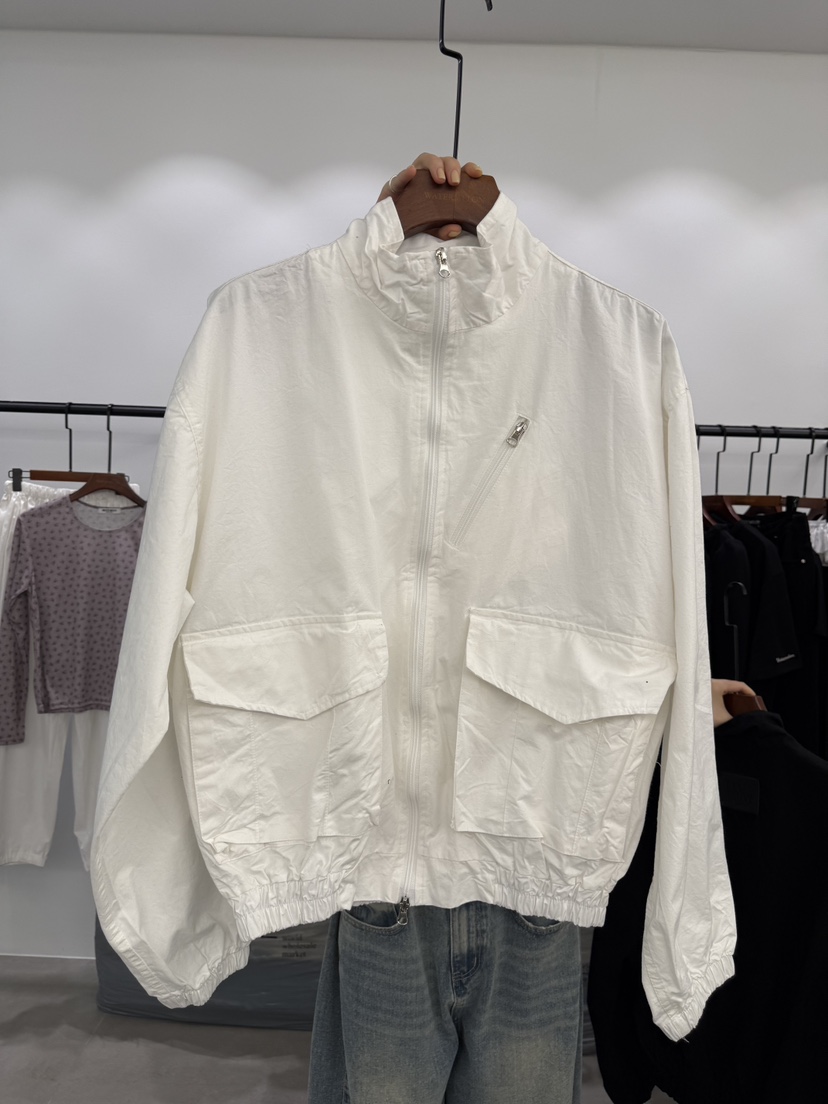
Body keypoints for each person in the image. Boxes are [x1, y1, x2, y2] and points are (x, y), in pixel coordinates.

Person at [307, 153, 755, 1104]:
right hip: (388, 859)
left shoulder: (622, 349)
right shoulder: (284, 333)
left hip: (536, 861)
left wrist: (683, 924)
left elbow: (671, 613)